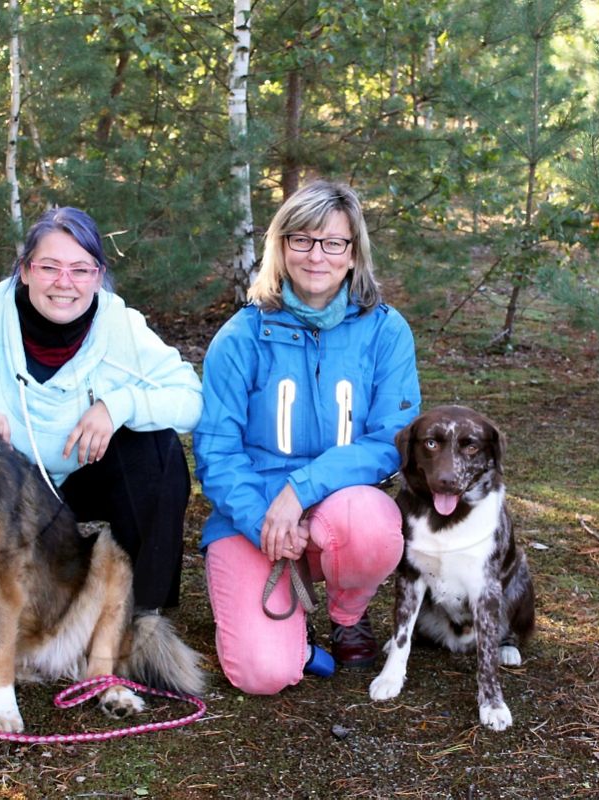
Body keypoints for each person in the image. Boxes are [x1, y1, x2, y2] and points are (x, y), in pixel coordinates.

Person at [0, 207, 202, 615]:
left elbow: (189, 397)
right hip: (4, 490)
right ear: (25, 270)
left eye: (81, 270)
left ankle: (144, 620)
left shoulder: (120, 326)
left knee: (159, 449)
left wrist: (119, 406)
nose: (65, 283)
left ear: (98, 276)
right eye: (49, 267)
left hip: (79, 474)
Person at [193, 180, 421, 694]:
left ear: (353, 252)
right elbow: (215, 452)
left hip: (337, 511)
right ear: (281, 246)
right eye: (302, 239)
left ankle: (346, 614)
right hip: (253, 516)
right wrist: (262, 519)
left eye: (333, 242)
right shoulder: (240, 337)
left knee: (373, 524)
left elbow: (392, 438)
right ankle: (292, 633)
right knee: (263, 675)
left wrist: (300, 490)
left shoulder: (386, 331)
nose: (317, 256)